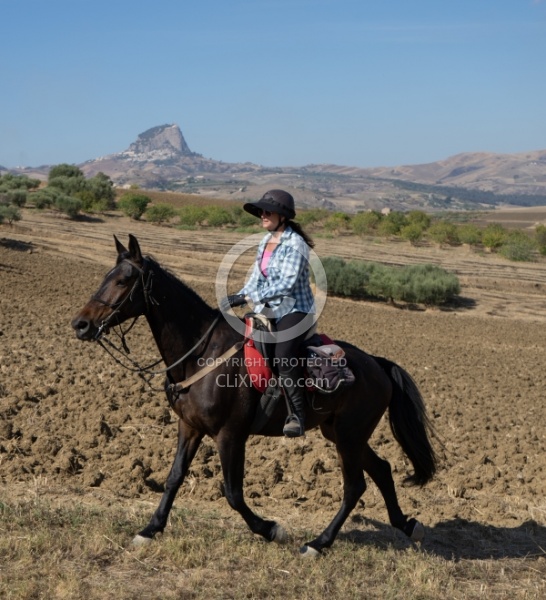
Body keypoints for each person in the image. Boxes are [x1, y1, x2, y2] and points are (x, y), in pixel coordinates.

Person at [223, 189, 316, 437]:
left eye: (267, 211)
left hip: (297, 310)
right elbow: (256, 279)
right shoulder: (265, 241)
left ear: (282, 216)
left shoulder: (295, 244)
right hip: (269, 309)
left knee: (284, 354)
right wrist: (238, 295)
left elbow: (286, 283)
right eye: (261, 211)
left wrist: (249, 297)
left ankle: (297, 415)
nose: (262, 215)